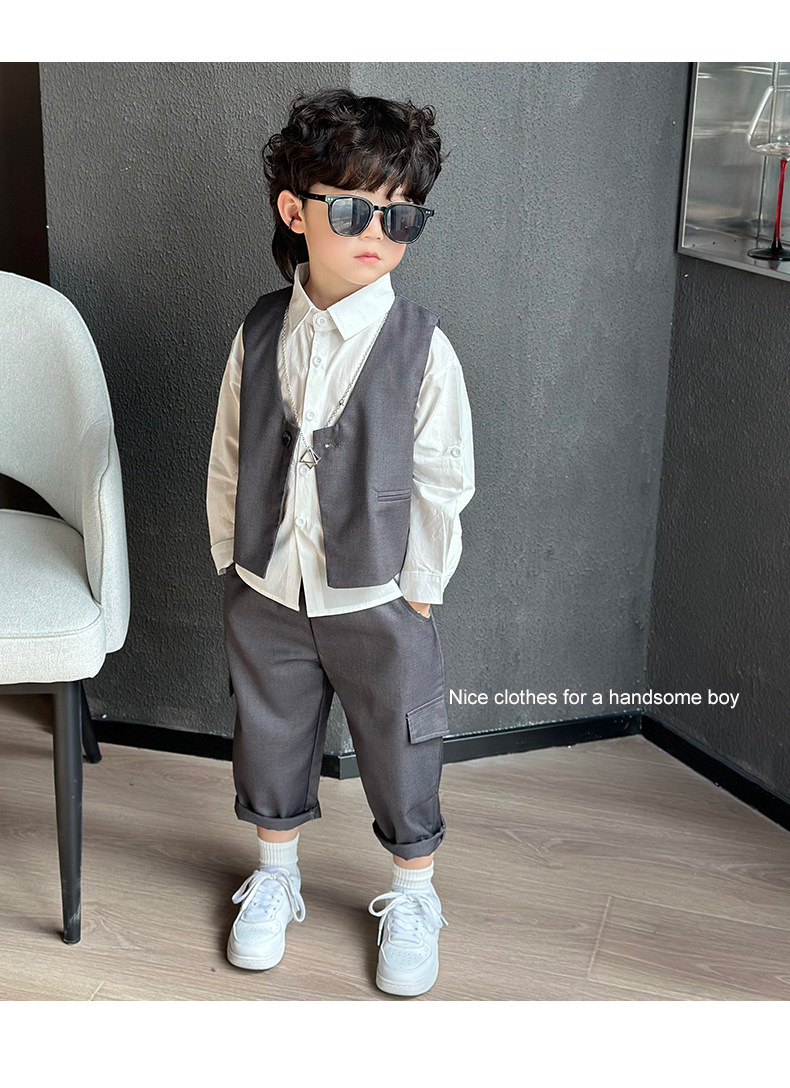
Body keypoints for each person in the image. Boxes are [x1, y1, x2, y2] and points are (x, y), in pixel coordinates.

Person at [206, 88, 475, 997]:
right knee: (269, 729)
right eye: (355, 210)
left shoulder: (420, 346)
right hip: (269, 583)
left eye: (401, 217)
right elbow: (231, 448)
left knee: (402, 741)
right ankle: (275, 874)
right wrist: (230, 554)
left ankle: (414, 893)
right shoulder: (260, 330)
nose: (377, 234)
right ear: (296, 211)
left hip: (378, 593)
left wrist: (420, 589)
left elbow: (443, 474)